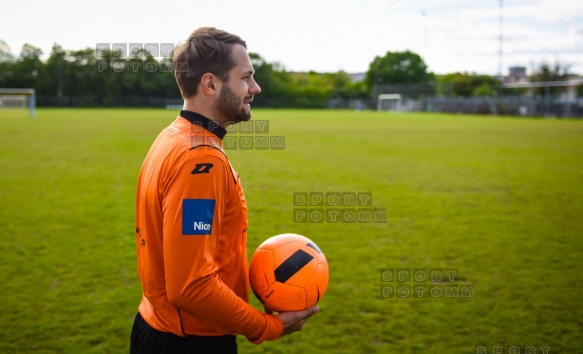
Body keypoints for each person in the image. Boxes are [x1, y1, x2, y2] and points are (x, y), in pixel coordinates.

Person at [130, 27, 319, 354]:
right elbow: (190, 287)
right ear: (211, 84)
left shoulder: (172, 136)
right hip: (189, 343)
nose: (255, 88)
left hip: (156, 327)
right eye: (245, 77)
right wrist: (266, 326)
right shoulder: (200, 160)